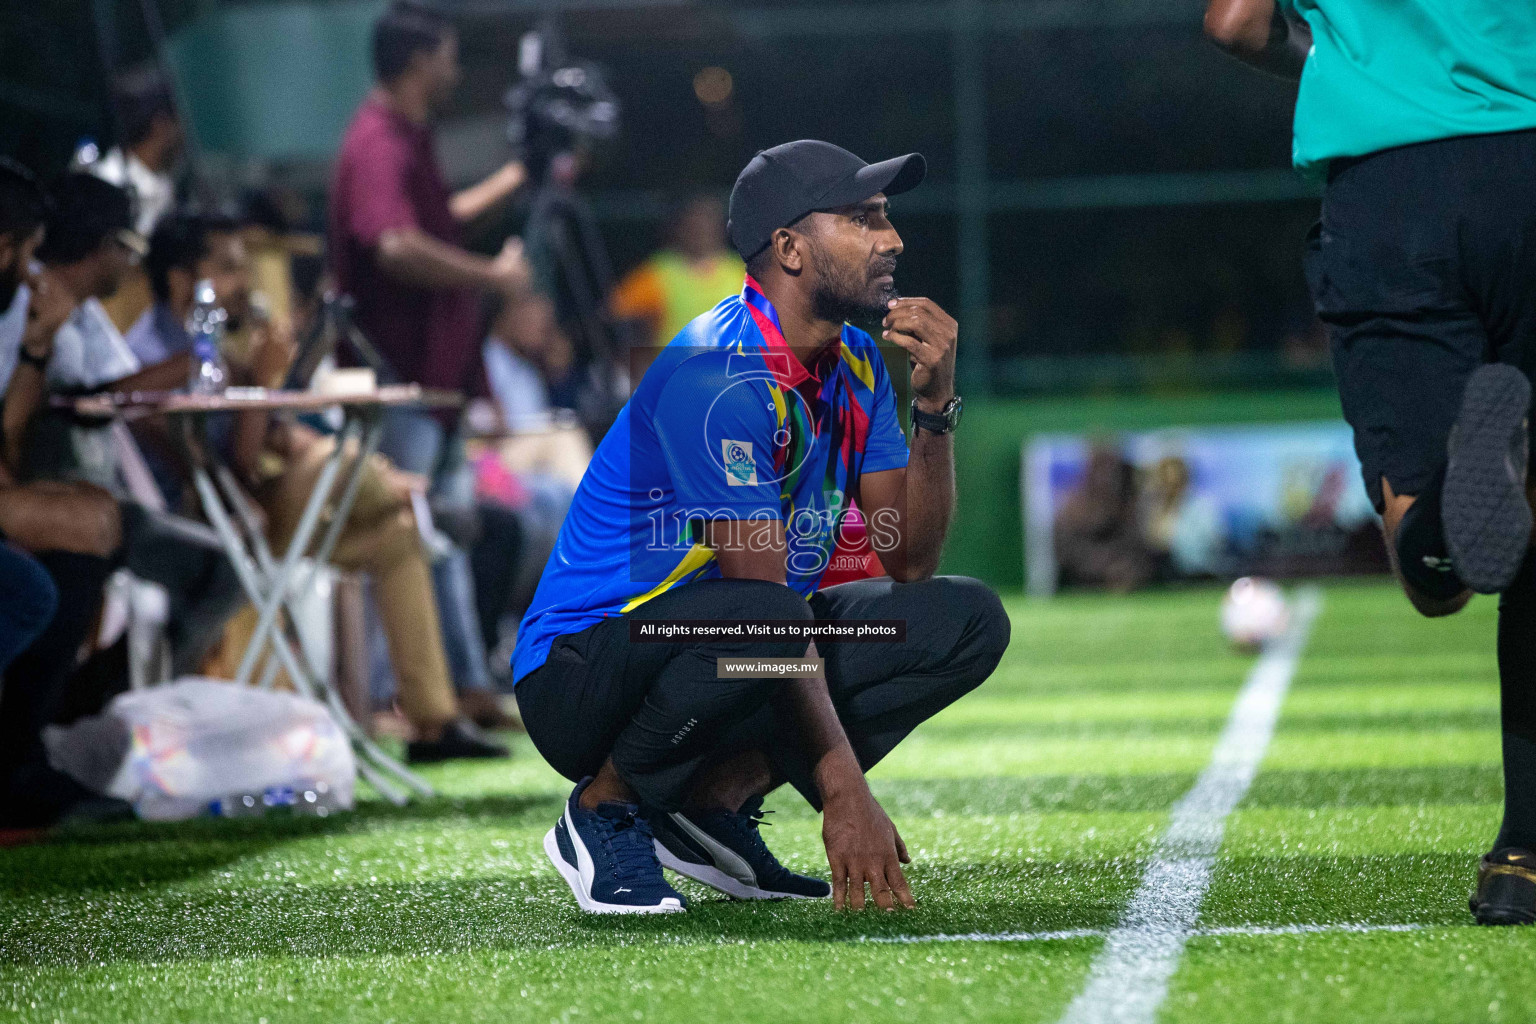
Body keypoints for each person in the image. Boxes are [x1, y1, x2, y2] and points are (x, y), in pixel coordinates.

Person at [512, 140, 1009, 914]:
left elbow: (906, 558)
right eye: (862, 218)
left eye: (886, 217)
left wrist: (936, 407)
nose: (894, 239)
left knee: (963, 620)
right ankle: (603, 807)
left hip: (733, 645)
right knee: (771, 613)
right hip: (586, 670)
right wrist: (845, 790)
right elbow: (761, 602)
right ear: (789, 249)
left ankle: (710, 802)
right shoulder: (718, 375)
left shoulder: (858, 365)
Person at [1205, 0, 1536, 924]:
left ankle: (1439, 526)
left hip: (1395, 183)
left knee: (1436, 579)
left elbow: (1235, 22)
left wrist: (1352, 64)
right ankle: (1524, 856)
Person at [126, 213, 506, 762]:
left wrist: (274, 397)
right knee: (343, 468)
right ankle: (423, 503)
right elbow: (231, 468)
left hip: (260, 508)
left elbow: (274, 440)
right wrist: (263, 381)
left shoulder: (219, 343)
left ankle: (434, 724)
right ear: (185, 279)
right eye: (230, 267)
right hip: (213, 522)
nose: (248, 282)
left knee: (397, 534)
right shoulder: (155, 353)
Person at [329, 0, 532, 721]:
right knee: (407, 538)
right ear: (419, 61)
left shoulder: (406, 137)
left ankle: (460, 690)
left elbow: (432, 223)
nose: (454, 68)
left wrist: (517, 179)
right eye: (447, 55)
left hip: (430, 384)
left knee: (441, 535)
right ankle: (401, 698)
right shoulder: (379, 140)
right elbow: (394, 245)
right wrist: (492, 277)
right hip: (398, 383)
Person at [2, 174, 242, 681]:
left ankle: (99, 704)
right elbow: (85, 403)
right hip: (49, 481)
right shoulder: (27, 306)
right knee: (92, 533)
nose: (133, 264)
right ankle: (77, 712)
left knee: (117, 532)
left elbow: (117, 393)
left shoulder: (76, 315)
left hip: (86, 486)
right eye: (128, 246)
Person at [0, 161, 132, 828]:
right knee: (37, 579)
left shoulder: (21, 312)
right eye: (27, 251)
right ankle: (18, 764)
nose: (32, 271)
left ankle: (25, 758)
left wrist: (36, 346)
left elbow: (8, 440)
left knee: (93, 523)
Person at [611, 193, 746, 350]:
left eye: (707, 222)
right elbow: (612, 323)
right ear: (677, 228)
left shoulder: (746, 273)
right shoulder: (655, 274)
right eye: (693, 224)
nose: (701, 230)